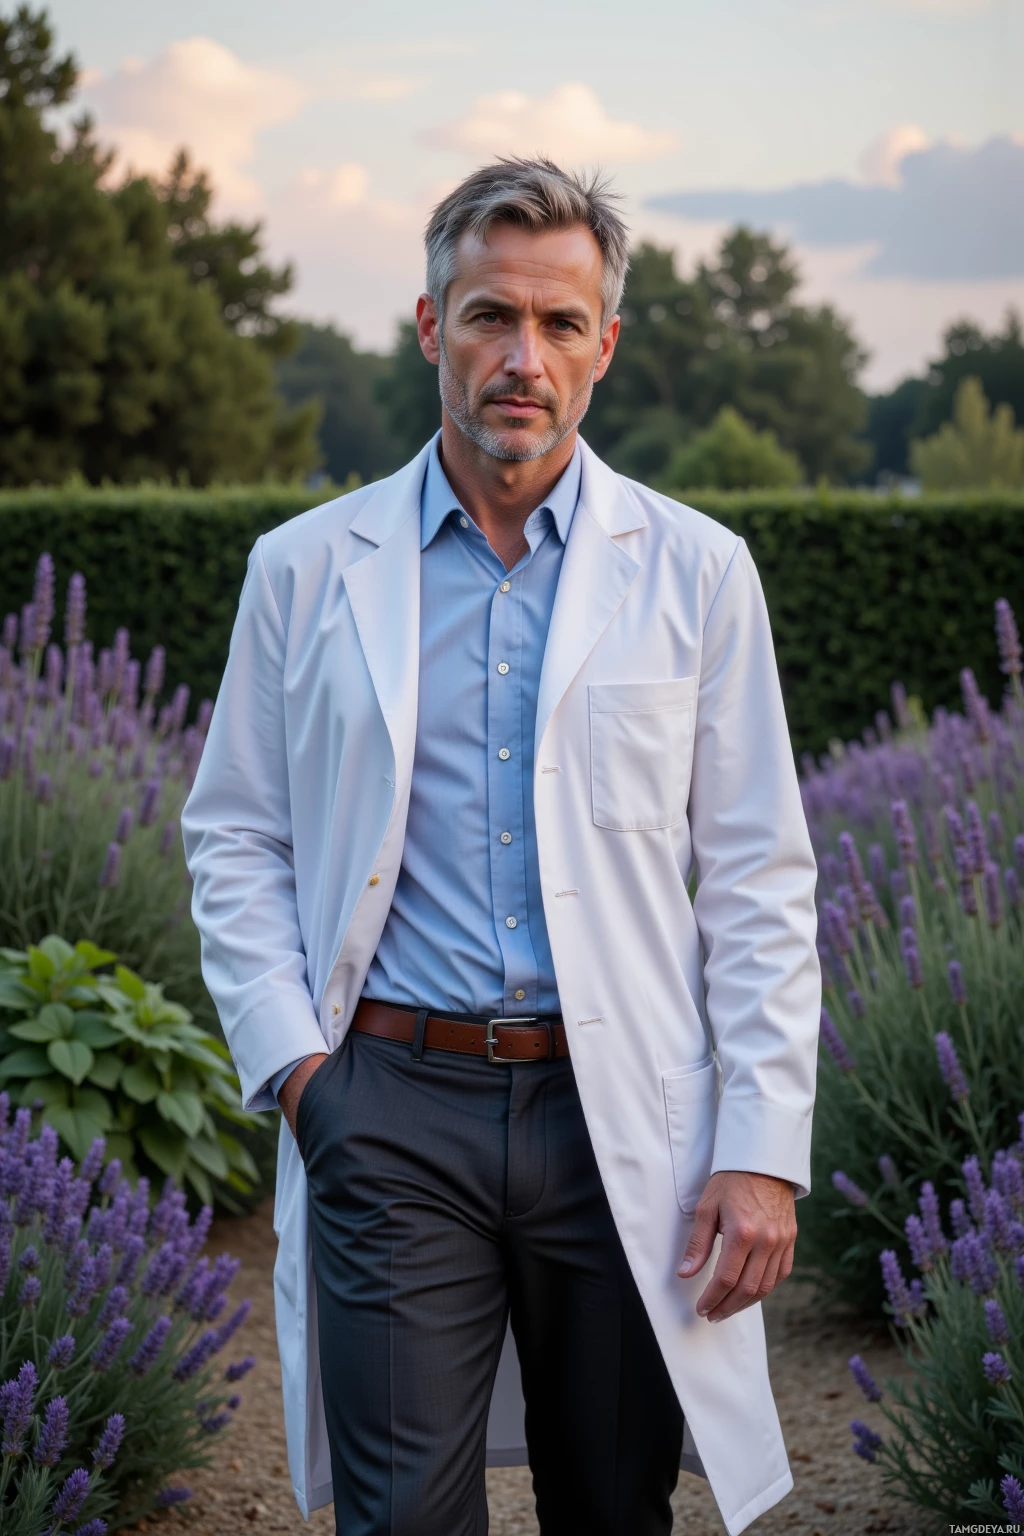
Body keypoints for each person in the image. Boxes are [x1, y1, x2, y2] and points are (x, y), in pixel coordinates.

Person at [181, 157, 820, 1536]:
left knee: (615, 1505)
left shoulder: (699, 572)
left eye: (559, 322)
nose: (522, 358)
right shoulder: (302, 570)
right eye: (489, 316)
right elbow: (234, 835)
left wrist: (763, 1147)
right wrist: (303, 1080)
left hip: (620, 1115)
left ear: (605, 345)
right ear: (432, 326)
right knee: (401, 1517)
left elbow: (762, 875)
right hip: (388, 1110)